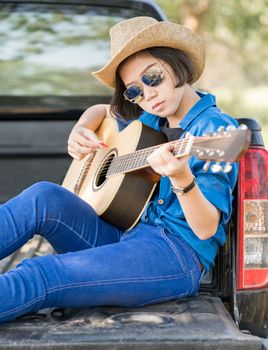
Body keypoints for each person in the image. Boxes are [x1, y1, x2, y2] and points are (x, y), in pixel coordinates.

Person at [0, 16, 238, 323]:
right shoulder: (151, 120)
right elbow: (102, 111)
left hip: (174, 256)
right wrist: (82, 128)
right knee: (43, 196)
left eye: (153, 78)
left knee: (41, 273)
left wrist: (182, 178)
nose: (148, 95)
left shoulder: (216, 131)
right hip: (127, 237)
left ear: (177, 64)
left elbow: (206, 229)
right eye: (134, 91)